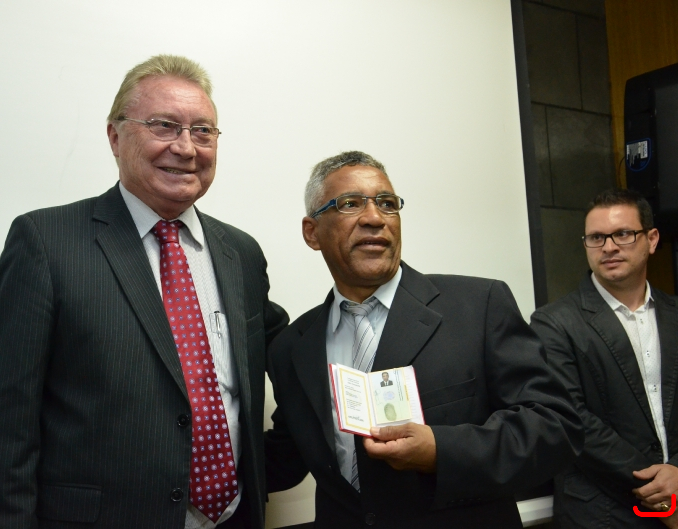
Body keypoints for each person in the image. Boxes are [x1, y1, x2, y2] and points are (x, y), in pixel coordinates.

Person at [0, 55, 288, 529]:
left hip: (234, 517)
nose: (186, 147)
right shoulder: (47, 244)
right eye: (164, 126)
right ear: (115, 136)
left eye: (203, 131)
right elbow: (3, 433)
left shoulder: (240, 252)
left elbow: (284, 359)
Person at [264, 151, 582, 528]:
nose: (374, 218)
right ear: (312, 232)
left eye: (387, 203)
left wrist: (439, 450)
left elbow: (555, 428)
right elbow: (286, 457)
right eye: (350, 204)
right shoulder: (293, 346)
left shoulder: (478, 307)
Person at [530, 188, 678, 528]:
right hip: (601, 512)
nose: (609, 247)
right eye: (596, 238)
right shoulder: (554, 323)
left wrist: (677, 473)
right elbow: (572, 420)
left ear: (652, 239)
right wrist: (660, 491)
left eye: (623, 234)